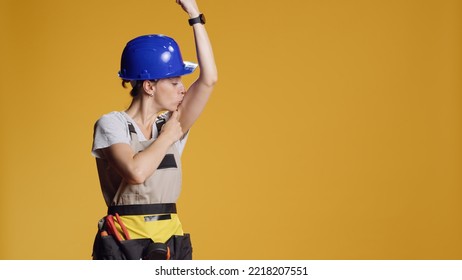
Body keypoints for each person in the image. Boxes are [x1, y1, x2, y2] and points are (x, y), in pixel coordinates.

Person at [91, 0, 217, 260]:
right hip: (125, 242)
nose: (183, 88)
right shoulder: (112, 124)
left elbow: (209, 79)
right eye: (174, 82)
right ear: (149, 86)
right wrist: (170, 135)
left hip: (170, 238)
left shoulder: (171, 121)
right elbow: (136, 172)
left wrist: (195, 16)